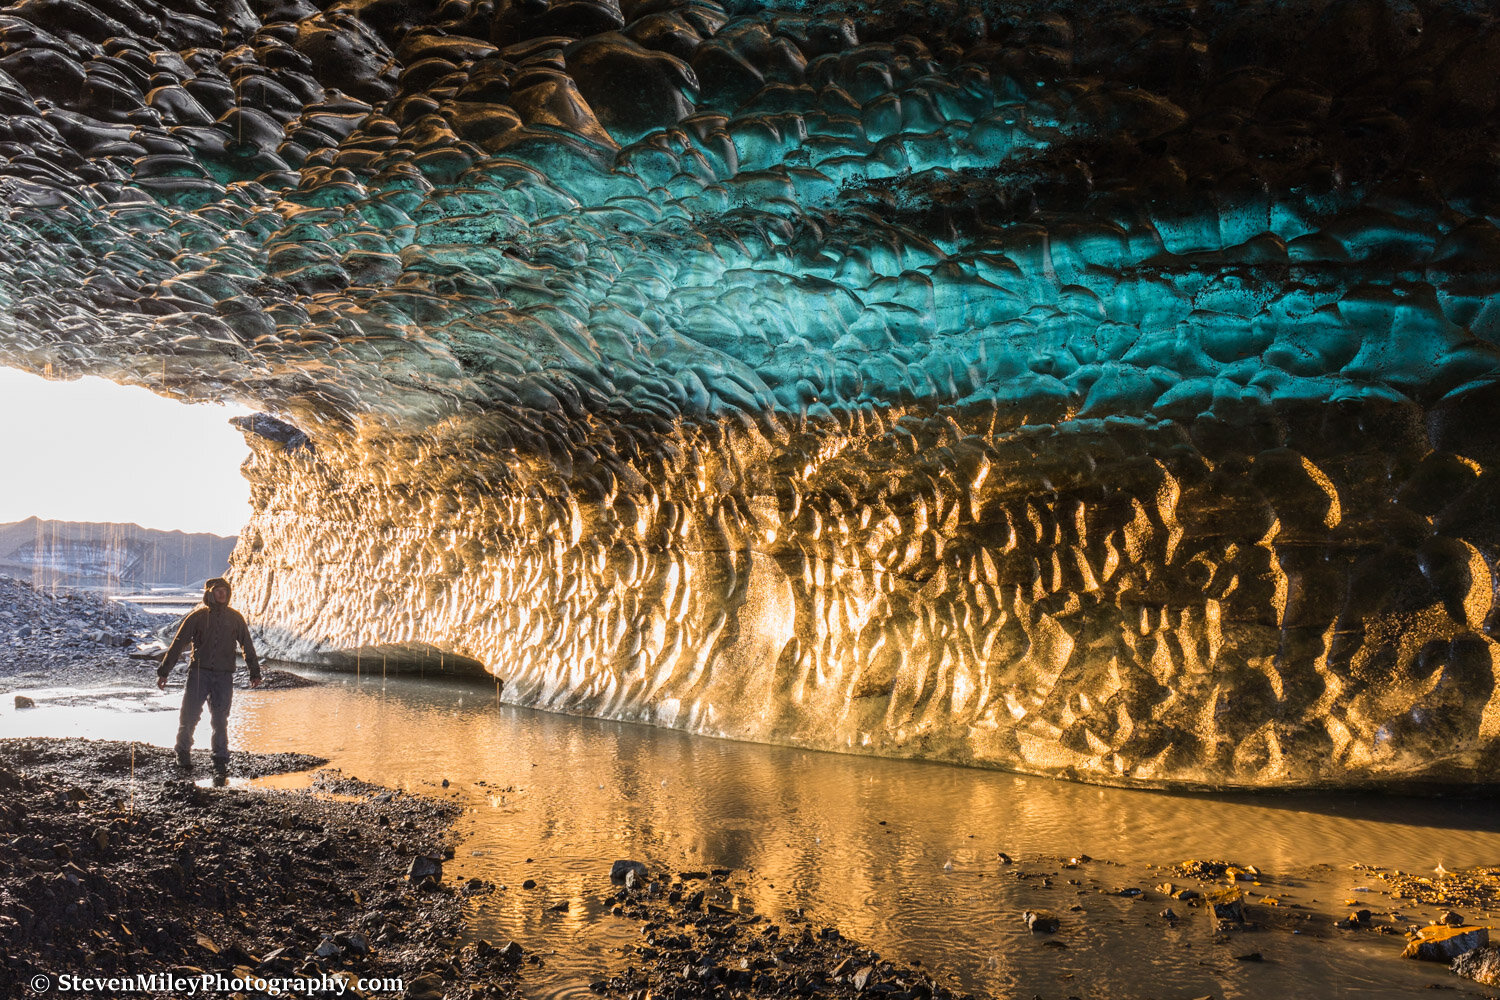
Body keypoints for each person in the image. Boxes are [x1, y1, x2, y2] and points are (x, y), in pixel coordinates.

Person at [157, 576, 262, 774]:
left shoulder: (235, 618)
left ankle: (220, 756)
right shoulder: (197, 617)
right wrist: (164, 672)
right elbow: (178, 644)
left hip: (224, 675)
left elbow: (247, 646)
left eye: (225, 591)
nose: (222, 594)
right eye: (218, 591)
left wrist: (254, 672)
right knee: (190, 715)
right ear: (210, 594)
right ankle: (183, 752)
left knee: (220, 718)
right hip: (199, 673)